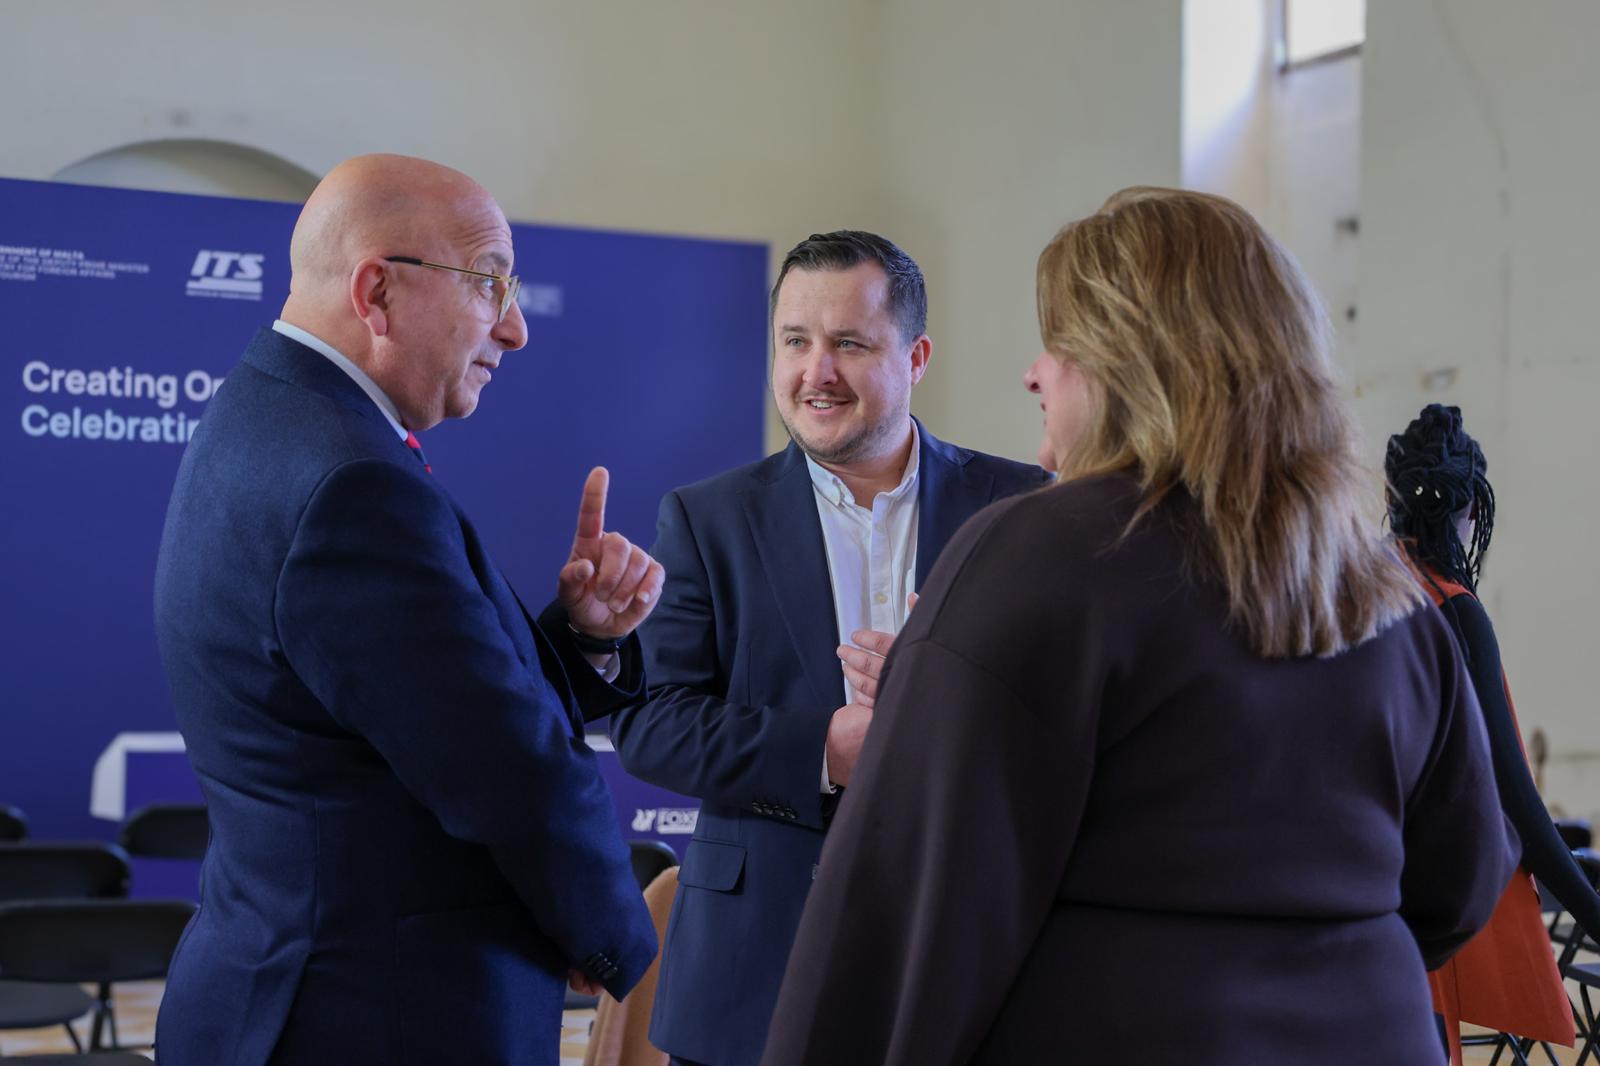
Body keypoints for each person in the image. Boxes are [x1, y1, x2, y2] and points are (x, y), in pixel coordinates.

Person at [759, 188, 1519, 1065]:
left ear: (1129, 364)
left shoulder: (1037, 553)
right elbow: (1463, 882)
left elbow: (902, 917)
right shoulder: (1384, 591)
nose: (1034, 375)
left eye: (1060, 346)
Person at [153, 154, 660, 1066]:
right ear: (377, 291)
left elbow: (414, 707)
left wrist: (582, 638)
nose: (515, 328)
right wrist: (617, 940)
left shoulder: (272, 413)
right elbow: (503, 766)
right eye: (489, 283)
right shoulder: (351, 482)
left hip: (298, 990)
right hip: (373, 1014)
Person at [608, 230, 1049, 1065]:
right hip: (753, 973)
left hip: (970, 957)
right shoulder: (706, 520)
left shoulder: (1018, 507)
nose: (817, 372)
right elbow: (650, 723)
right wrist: (828, 748)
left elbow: (1073, 715)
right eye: (795, 341)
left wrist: (957, 704)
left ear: (916, 358)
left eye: (849, 343)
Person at [1388, 403, 1597, 1064]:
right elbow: (1514, 800)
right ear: (1473, 509)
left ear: (1390, 501)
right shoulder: (1453, 611)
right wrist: (1593, 912)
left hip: (1349, 893)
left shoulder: (1358, 594)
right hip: (1418, 911)